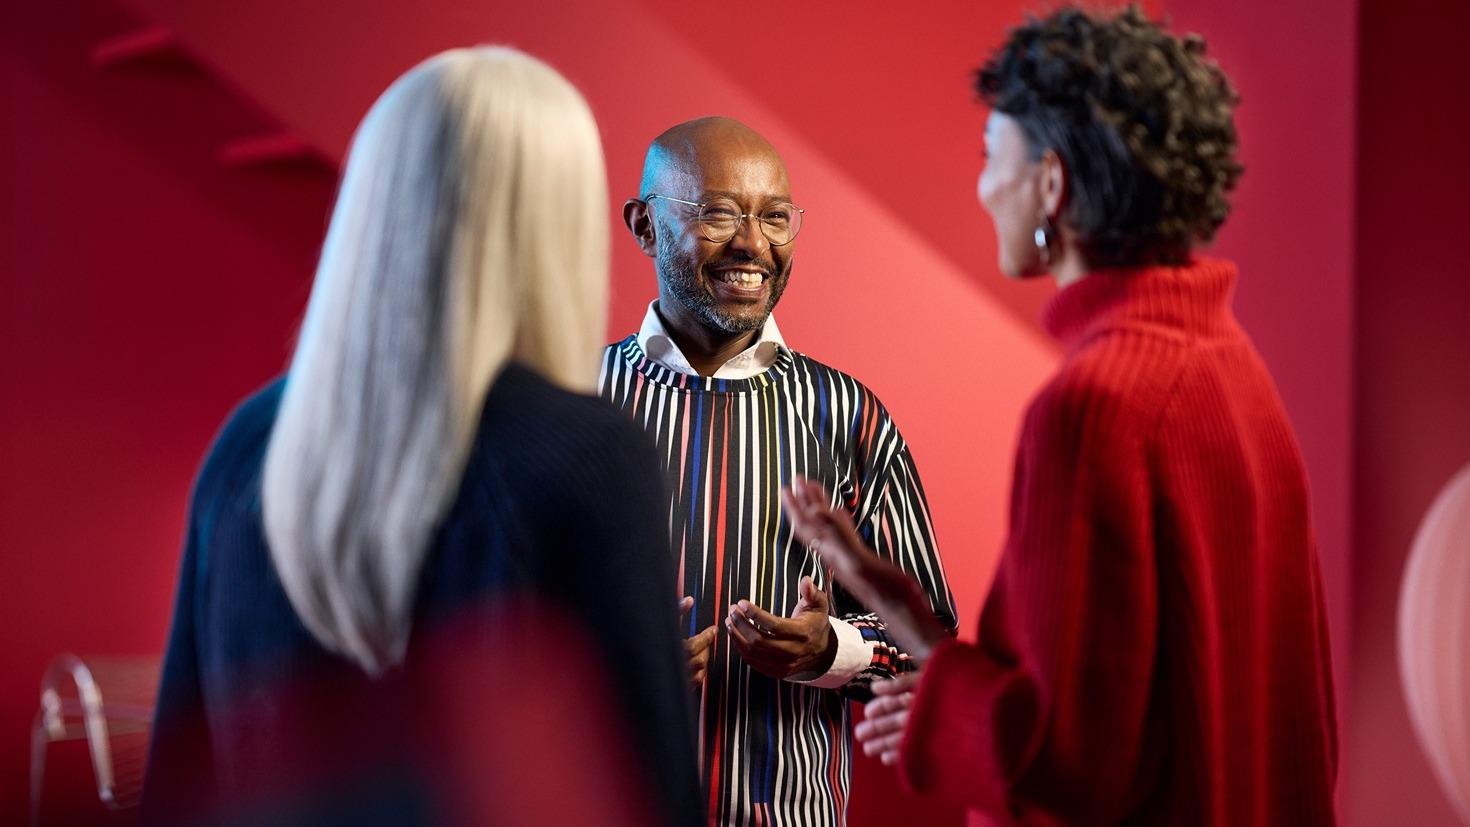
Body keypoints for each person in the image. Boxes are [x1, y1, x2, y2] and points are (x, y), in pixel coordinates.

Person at [783, 7, 1338, 825]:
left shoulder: (1089, 409)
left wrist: (941, 710)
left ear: (1051, 184)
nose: (983, 188)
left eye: (991, 156)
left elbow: (1065, 762)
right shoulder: (1229, 363)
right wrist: (901, 608)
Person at [141, 47, 702, 827]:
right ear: (557, 225)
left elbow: (175, 784)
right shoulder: (585, 456)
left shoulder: (247, 444)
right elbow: (652, 800)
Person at [600, 116, 957, 825]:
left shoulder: (848, 417)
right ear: (644, 226)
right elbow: (479, 641)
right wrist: (603, 663)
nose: (753, 244)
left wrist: (833, 651)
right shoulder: (575, 399)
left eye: (774, 217)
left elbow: (934, 649)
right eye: (718, 213)